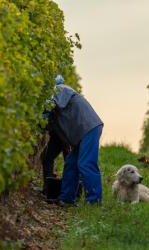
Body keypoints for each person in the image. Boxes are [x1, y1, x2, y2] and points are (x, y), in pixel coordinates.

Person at [49, 75, 104, 205]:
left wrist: (45, 110)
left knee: (86, 164)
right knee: (71, 164)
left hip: (88, 127)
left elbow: (57, 104)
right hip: (81, 130)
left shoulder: (60, 89)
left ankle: (94, 201)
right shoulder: (55, 94)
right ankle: (66, 198)